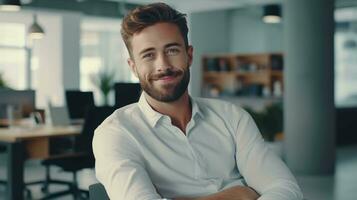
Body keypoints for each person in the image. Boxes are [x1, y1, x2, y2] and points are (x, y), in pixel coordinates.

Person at [92, 2, 303, 200]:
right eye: (148, 55)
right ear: (133, 67)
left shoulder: (232, 117)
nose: (163, 65)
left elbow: (285, 188)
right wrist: (239, 194)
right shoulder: (115, 133)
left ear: (189, 55)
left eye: (172, 50)